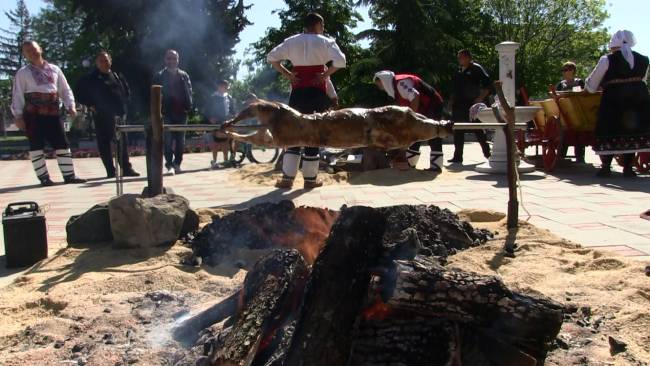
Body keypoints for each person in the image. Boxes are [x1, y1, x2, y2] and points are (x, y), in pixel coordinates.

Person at [267, 12, 346, 189]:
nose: (323, 28)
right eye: (322, 25)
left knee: (293, 132)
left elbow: (271, 58)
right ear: (317, 24)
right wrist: (325, 75)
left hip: (297, 93)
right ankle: (310, 180)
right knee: (313, 132)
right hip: (317, 93)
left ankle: (288, 179)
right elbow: (341, 61)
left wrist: (288, 74)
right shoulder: (325, 41)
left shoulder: (291, 41)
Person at [11, 40, 86, 186]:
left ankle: (69, 176)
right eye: (27, 51)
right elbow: (17, 94)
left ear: (41, 49)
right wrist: (18, 116)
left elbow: (65, 89)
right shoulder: (23, 73)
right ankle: (44, 178)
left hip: (53, 113)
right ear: (25, 55)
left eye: (33, 49)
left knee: (62, 142)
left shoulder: (54, 69)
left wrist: (70, 105)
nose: (31, 53)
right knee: (36, 144)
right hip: (33, 115)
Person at [585, 30, 650, 178]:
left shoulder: (607, 59)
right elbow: (643, 80)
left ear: (614, 44)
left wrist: (589, 87)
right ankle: (628, 167)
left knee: (610, 127)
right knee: (633, 130)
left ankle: (606, 167)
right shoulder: (644, 59)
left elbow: (593, 83)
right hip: (639, 98)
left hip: (615, 98)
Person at [75, 51, 140, 178]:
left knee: (122, 142)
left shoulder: (116, 75)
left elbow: (126, 90)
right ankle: (110, 171)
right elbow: (78, 92)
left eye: (106, 60)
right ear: (97, 63)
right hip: (101, 115)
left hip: (119, 115)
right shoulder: (91, 78)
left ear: (110, 61)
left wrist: (125, 103)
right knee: (104, 143)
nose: (104, 63)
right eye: (101, 61)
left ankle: (126, 169)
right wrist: (90, 104)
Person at [374, 70, 445, 172]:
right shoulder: (395, 88)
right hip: (423, 108)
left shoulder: (400, 83)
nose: (380, 88)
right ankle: (411, 163)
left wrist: (412, 118)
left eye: (379, 84)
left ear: (384, 80)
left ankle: (436, 166)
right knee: (414, 134)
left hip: (432, 105)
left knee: (433, 133)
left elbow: (415, 96)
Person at [152, 49, 193, 175]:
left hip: (181, 112)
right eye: (169, 58)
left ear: (178, 60)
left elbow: (189, 91)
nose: (171, 61)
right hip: (167, 112)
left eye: (174, 58)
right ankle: (169, 165)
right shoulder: (159, 75)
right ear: (165, 60)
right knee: (168, 140)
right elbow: (155, 95)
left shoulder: (184, 75)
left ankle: (177, 164)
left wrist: (189, 105)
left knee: (181, 141)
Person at [449, 49, 492, 163]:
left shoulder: (476, 68)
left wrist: (480, 98)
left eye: (461, 57)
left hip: (472, 105)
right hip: (459, 105)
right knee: (458, 130)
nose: (459, 60)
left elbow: (488, 85)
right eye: (458, 57)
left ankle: (488, 154)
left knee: (477, 129)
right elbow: (454, 88)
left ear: (468, 57)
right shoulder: (458, 70)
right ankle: (457, 156)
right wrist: (451, 101)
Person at [556, 61, 586, 163]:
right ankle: (561, 156)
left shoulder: (579, 82)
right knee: (563, 133)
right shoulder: (560, 84)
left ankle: (580, 157)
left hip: (578, 111)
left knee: (580, 133)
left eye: (567, 69)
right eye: (563, 70)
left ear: (573, 70)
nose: (565, 72)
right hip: (565, 112)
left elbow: (583, 94)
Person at [207, 79, 236, 168]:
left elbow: (232, 110)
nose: (226, 88)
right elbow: (207, 109)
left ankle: (226, 160)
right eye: (224, 86)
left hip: (226, 122)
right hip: (216, 122)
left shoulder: (229, 97)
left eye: (226, 86)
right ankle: (214, 161)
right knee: (216, 142)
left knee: (225, 142)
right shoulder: (213, 97)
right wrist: (210, 118)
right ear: (219, 86)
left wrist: (233, 117)